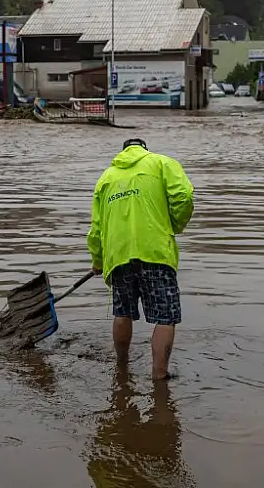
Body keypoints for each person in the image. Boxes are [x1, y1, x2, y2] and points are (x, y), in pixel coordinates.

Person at [87, 138, 194, 380]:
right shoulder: (161, 163)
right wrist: (174, 225)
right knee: (166, 316)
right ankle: (159, 376)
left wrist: (98, 259)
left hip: (118, 256)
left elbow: (96, 229)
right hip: (155, 252)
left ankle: (122, 367)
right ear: (145, 149)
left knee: (122, 312)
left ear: (123, 151)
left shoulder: (106, 178)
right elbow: (184, 196)